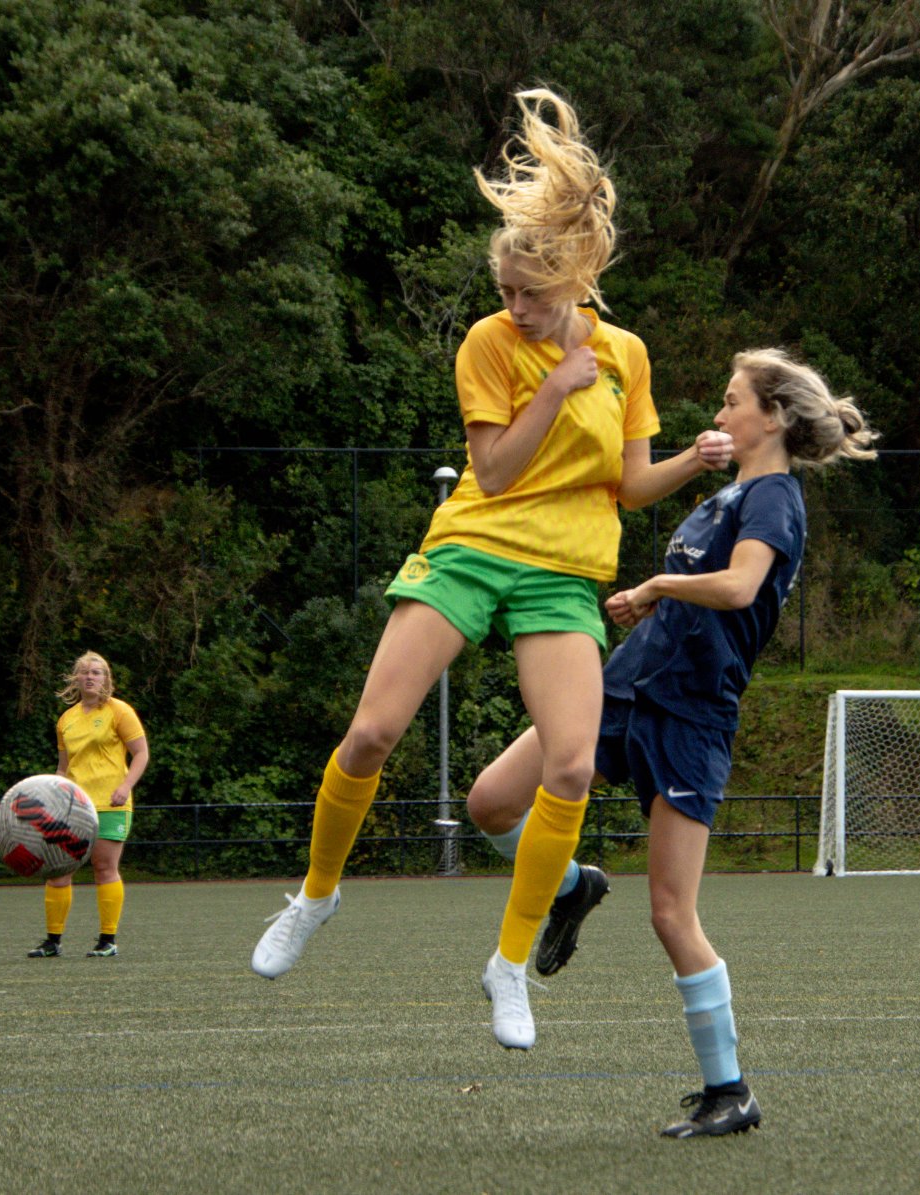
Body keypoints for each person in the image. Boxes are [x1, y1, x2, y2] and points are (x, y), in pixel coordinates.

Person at [248, 88, 734, 1022]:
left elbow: (627, 484)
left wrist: (693, 461)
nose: (512, 305)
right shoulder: (490, 343)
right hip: (473, 544)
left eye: (530, 293)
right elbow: (498, 470)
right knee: (371, 733)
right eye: (505, 289)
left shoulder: (627, 353)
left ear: (575, 280)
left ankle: (510, 964)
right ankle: (315, 894)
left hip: (564, 573)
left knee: (571, 768)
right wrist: (554, 384)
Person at [466, 348, 875, 1135]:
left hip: (691, 716)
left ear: (774, 417)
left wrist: (656, 588)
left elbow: (740, 587)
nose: (719, 415)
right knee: (490, 801)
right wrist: (656, 612)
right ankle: (569, 886)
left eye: (731, 402)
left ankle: (730, 1090)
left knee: (669, 913)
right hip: (626, 685)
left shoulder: (774, 501)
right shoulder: (726, 496)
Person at [30, 651, 148, 959]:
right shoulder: (66, 719)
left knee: (104, 867)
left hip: (111, 803)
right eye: (85, 672)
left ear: (106, 678)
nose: (91, 677)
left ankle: (107, 940)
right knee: (58, 871)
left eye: (97, 672)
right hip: (74, 807)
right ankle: (52, 942)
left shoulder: (119, 711)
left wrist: (125, 786)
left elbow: (141, 754)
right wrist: (54, 794)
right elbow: (63, 767)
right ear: (76, 679)